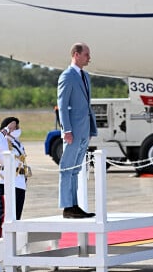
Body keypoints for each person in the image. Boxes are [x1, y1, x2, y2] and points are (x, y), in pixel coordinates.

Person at [57, 42, 97, 219]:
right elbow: (62, 105)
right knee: (67, 168)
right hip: (72, 130)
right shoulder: (67, 76)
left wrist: (90, 129)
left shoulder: (85, 76)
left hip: (84, 129)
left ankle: (74, 205)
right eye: (86, 54)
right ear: (76, 54)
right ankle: (67, 206)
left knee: (76, 170)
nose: (89, 58)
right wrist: (66, 129)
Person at [0, 117, 29, 238]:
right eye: (14, 127)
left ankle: (12, 245)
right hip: (5, 182)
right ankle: (1, 243)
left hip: (19, 182)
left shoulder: (16, 142)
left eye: (17, 126)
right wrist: (6, 129)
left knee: (16, 217)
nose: (17, 129)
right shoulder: (2, 141)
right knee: (5, 215)